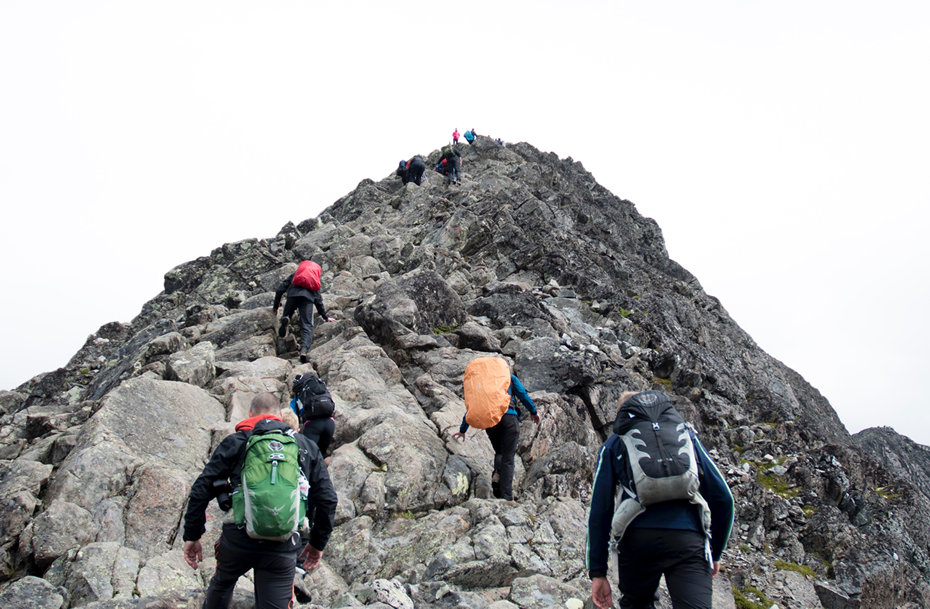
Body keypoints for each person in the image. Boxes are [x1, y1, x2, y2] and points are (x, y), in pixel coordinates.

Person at [183, 392, 338, 609]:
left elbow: (201, 489)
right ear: (279, 416)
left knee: (223, 582)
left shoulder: (236, 442)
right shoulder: (304, 446)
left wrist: (192, 535)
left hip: (237, 540)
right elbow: (327, 499)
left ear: (249, 414)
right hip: (282, 544)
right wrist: (316, 544)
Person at [586, 391, 734, 609]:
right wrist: (715, 551)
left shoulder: (615, 442)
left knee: (637, 604)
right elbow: (724, 498)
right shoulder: (685, 434)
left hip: (637, 539)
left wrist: (597, 571)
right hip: (688, 539)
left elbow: (600, 510)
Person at [452, 366, 540, 500]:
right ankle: (507, 497)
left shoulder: (484, 384)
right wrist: (533, 411)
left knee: (500, 451)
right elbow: (523, 395)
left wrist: (463, 429)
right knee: (508, 457)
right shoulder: (508, 377)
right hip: (509, 418)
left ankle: (498, 476)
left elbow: (475, 406)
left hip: (490, 421)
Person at [273, 262, 336, 363]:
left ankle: (285, 318)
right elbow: (318, 300)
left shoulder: (295, 276)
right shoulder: (312, 281)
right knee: (307, 325)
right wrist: (325, 316)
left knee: (286, 314)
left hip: (292, 296)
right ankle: (304, 350)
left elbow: (280, 289)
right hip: (307, 299)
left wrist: (276, 306)